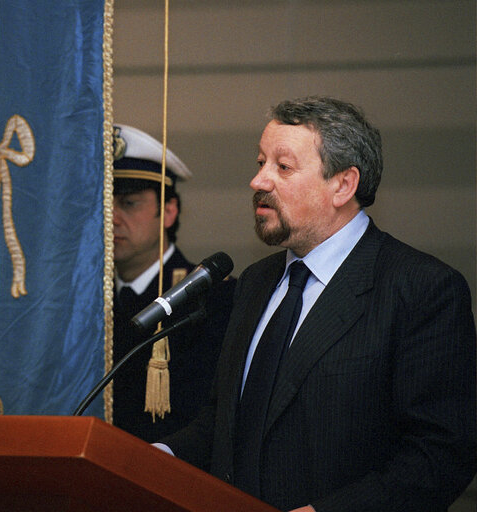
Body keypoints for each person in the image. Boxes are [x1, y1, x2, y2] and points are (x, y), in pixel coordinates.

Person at [157, 96, 476, 512]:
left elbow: (440, 455)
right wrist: (154, 457)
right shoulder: (256, 282)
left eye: (282, 167)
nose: (259, 181)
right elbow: (226, 421)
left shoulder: (420, 289)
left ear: (343, 185)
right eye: (260, 163)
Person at [111, 124, 235, 443]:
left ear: (168, 211)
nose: (111, 217)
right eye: (104, 202)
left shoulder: (213, 296)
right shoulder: (81, 301)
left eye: (128, 203)